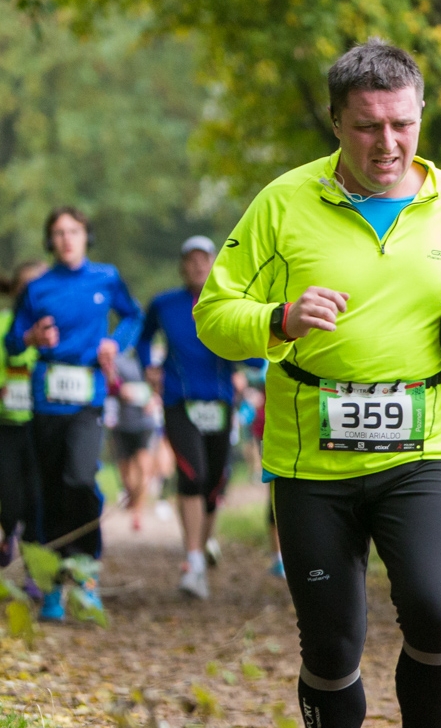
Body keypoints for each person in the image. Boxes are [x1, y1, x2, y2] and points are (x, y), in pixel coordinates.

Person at [195, 38, 441, 728]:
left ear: (420, 116)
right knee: (332, 644)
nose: (387, 143)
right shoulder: (284, 203)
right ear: (337, 121)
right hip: (314, 461)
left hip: (424, 448)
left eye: (402, 124)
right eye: (368, 126)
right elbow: (213, 313)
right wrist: (278, 318)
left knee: (436, 612)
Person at [3, 207, 142, 621]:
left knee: (80, 480)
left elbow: (133, 316)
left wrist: (115, 343)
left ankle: (85, 575)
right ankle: (51, 585)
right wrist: (31, 336)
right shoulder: (38, 288)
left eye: (74, 231)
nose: (67, 239)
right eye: (59, 232)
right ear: (50, 240)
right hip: (46, 398)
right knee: (48, 490)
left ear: (86, 236)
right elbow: (13, 342)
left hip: (88, 397)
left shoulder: (106, 277)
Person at [140, 236, 260, 599]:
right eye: (190, 259)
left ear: (215, 264)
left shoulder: (231, 302)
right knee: (192, 475)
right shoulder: (164, 304)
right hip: (179, 402)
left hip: (220, 404)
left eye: (204, 259)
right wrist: (148, 367)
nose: (197, 266)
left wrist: (242, 350)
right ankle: (193, 561)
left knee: (213, 483)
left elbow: (257, 356)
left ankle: (201, 549)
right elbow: (143, 338)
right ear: (182, 266)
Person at [0, 260, 47, 575]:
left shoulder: (55, 326)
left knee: (38, 499)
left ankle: (35, 568)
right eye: (25, 288)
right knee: (9, 495)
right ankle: (8, 533)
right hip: (6, 425)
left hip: (42, 423)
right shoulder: (4, 322)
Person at [106, 348, 159, 531]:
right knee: (126, 470)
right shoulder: (117, 352)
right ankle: (131, 494)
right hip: (122, 422)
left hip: (145, 423)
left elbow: (161, 381)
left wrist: (155, 398)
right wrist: (120, 388)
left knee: (144, 467)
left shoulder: (151, 354)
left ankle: (138, 512)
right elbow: (109, 383)